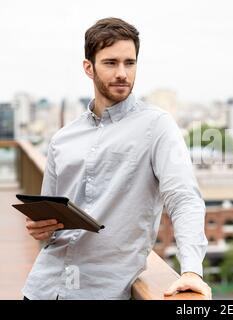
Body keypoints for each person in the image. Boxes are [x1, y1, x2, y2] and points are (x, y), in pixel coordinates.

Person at [22, 17, 211, 300]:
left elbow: (184, 198)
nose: (122, 73)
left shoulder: (157, 126)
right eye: (111, 63)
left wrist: (192, 270)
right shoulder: (63, 138)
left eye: (129, 63)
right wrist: (40, 227)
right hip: (42, 288)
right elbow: (50, 218)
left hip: (102, 291)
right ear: (89, 67)